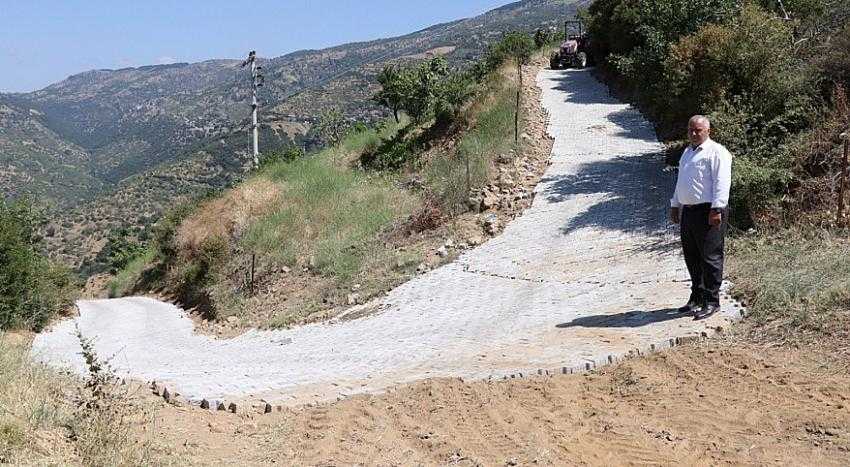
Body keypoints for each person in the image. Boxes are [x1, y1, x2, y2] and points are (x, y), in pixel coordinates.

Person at [669, 115, 732, 320]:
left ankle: (712, 301)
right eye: (691, 130)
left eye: (698, 130)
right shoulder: (687, 153)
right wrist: (675, 204)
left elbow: (722, 182)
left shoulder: (717, 152)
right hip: (689, 211)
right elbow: (681, 181)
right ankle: (697, 297)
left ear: (708, 131)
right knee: (692, 256)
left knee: (710, 257)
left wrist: (717, 209)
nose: (694, 134)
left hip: (709, 211)